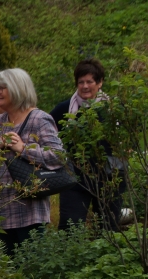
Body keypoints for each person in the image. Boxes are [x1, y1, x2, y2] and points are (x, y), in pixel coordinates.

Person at [0, 68, 64, 255]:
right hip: (2, 210)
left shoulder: (39, 119)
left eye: (2, 88)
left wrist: (23, 148)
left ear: (17, 88)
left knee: (31, 266)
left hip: (30, 211)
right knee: (8, 269)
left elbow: (58, 156)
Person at [50, 58, 121, 230]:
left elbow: (125, 143)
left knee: (109, 227)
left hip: (108, 179)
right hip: (74, 179)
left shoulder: (113, 109)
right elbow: (46, 132)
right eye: (81, 82)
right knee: (70, 227)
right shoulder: (64, 109)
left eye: (89, 82)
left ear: (100, 82)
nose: (85, 86)